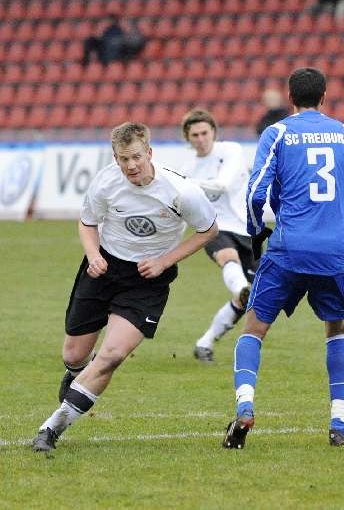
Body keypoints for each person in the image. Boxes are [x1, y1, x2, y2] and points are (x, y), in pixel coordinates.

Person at [32, 122, 218, 452]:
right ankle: (79, 375)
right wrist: (93, 255)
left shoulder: (181, 191)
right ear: (115, 158)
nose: (131, 165)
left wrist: (164, 261)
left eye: (136, 157)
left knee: (112, 355)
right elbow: (88, 222)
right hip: (104, 268)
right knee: (74, 355)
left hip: (147, 280)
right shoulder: (106, 182)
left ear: (149, 153)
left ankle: (51, 428)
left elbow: (209, 230)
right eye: (123, 159)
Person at [222, 67, 344, 449]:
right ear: (324, 97)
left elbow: (255, 192)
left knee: (253, 330)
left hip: (288, 250)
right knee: (336, 329)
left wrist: (256, 231)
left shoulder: (278, 133)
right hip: (335, 254)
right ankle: (338, 424)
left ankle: (245, 407)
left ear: (290, 98)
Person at [179, 109, 256, 362]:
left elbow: (223, 185)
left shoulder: (231, 151)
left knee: (253, 298)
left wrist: (187, 182)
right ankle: (241, 287)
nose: (201, 139)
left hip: (247, 229)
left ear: (214, 132)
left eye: (205, 133)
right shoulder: (188, 168)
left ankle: (205, 342)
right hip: (214, 227)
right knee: (227, 256)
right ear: (187, 138)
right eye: (195, 135)